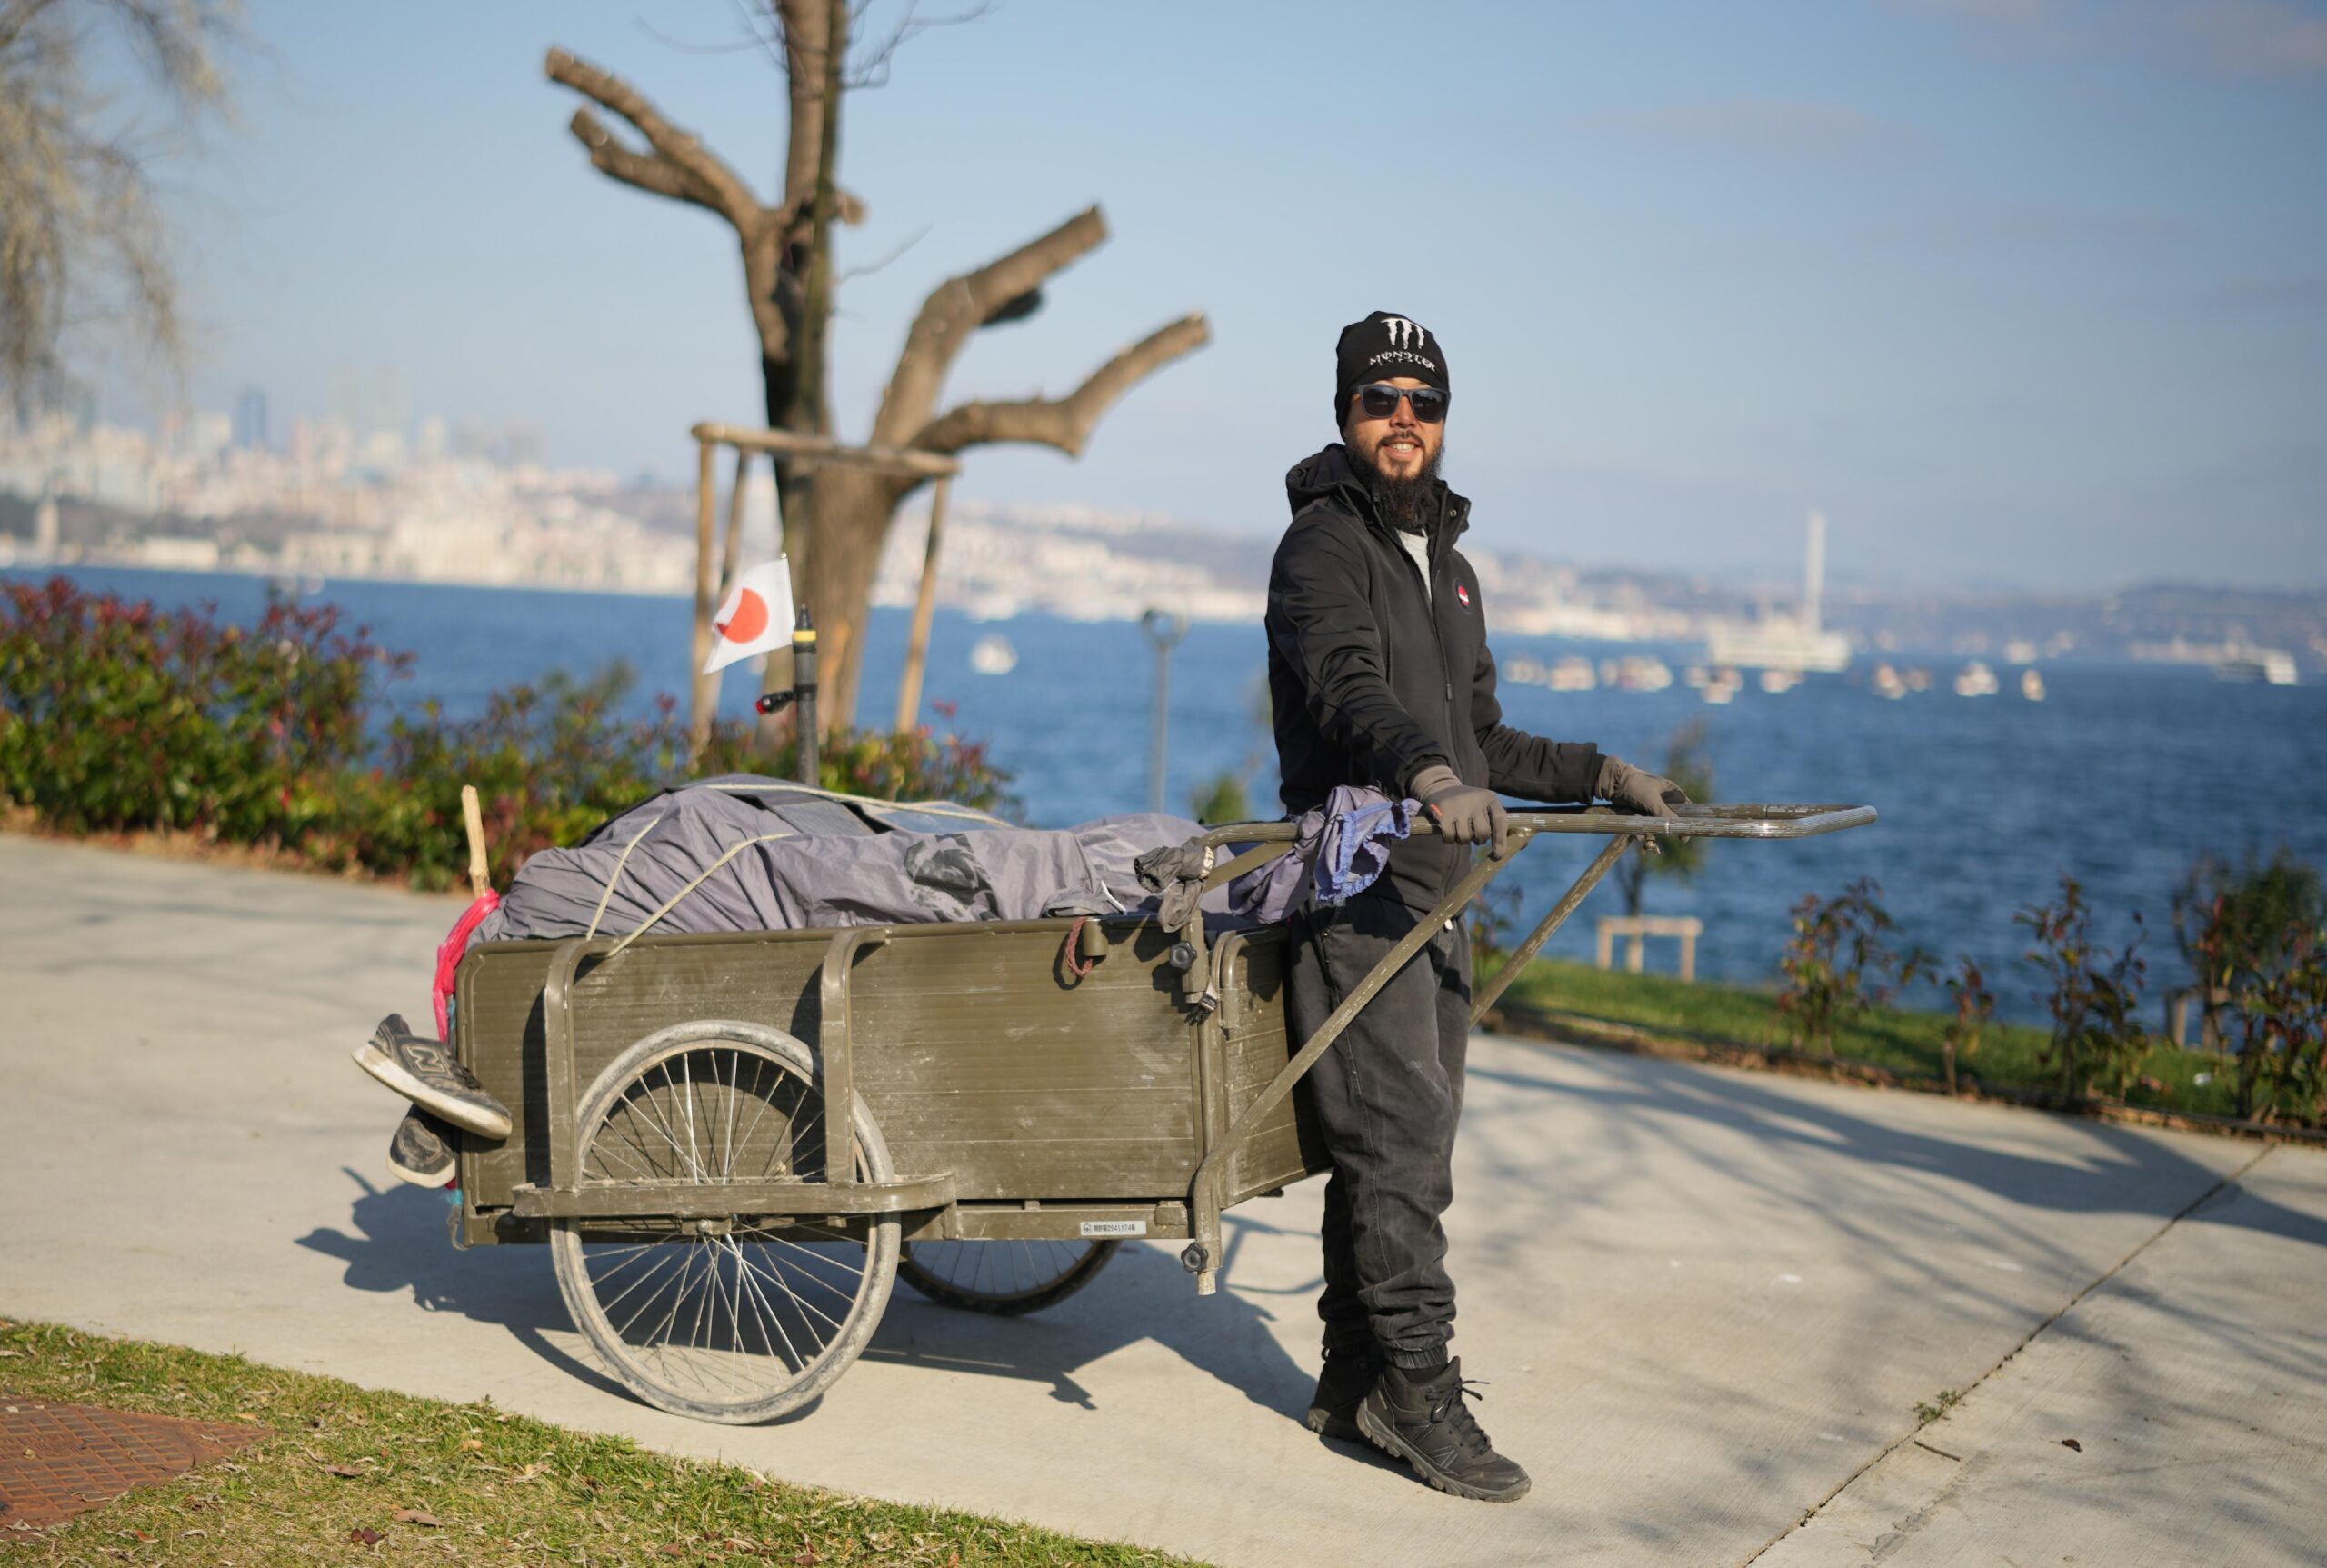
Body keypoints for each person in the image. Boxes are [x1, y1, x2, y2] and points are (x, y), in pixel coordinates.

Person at [1267, 311, 1687, 1503]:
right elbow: (1348, 695)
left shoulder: (1450, 569)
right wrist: (1428, 777)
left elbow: (1483, 736)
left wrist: (1604, 773)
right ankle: (1415, 1385)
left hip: (1441, 890)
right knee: (1400, 1140)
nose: (1403, 419)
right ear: (1346, 413)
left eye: (1424, 401)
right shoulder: (1320, 549)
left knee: (1407, 1141)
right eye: (1379, 399)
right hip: (1361, 888)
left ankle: (1353, 1378)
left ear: (1444, 419)